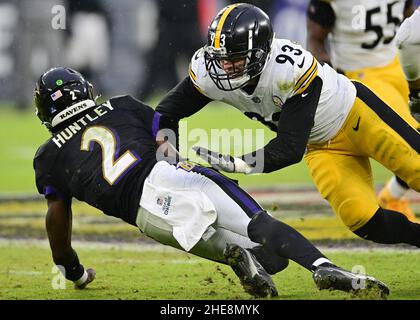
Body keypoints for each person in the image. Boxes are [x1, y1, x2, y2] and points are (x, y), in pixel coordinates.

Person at [33, 67, 389, 298]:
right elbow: (162, 128)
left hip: (149, 220)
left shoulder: (49, 156)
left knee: (266, 261)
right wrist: (172, 151)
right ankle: (323, 268)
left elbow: (58, 222)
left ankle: (241, 257)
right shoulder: (120, 105)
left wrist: (72, 270)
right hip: (171, 179)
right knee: (260, 223)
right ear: (86, 91)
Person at [155, 3, 420, 250]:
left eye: (234, 58)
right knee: (362, 219)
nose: (224, 66)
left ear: (259, 54)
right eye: (219, 57)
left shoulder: (288, 70)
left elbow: (288, 148)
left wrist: (240, 163)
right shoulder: (209, 72)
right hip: (320, 147)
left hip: (357, 116)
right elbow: (166, 114)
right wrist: (167, 160)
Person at [306, 0, 418, 221]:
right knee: (411, 140)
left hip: (399, 63)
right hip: (361, 75)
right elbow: (316, 39)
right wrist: (329, 78)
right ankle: (393, 198)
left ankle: (391, 195)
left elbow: (409, 17)